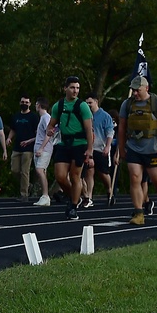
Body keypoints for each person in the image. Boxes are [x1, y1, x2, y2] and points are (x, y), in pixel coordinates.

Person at [117, 76, 157, 226]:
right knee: (135, 178)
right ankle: (139, 213)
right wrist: (121, 149)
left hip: (153, 149)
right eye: (133, 90)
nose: (135, 93)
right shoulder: (127, 105)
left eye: (137, 90)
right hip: (134, 148)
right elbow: (121, 128)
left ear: (146, 88)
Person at [44, 76, 94, 220]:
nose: (75, 91)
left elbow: (89, 129)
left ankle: (72, 207)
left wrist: (89, 150)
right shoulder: (58, 106)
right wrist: (49, 130)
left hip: (79, 144)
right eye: (72, 87)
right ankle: (74, 196)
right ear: (65, 88)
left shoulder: (82, 106)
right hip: (64, 144)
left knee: (75, 176)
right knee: (60, 176)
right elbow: (51, 125)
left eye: (77, 88)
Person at [84, 93, 115, 208]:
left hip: (101, 148)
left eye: (90, 103)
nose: (88, 105)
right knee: (89, 172)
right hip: (90, 149)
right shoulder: (85, 115)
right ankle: (89, 197)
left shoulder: (105, 116)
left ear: (96, 102)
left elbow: (110, 132)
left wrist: (107, 146)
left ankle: (109, 189)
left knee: (103, 173)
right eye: (86, 103)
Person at [6, 95, 40, 201]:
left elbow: (38, 133)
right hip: (17, 147)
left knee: (25, 171)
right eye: (22, 102)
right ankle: (27, 185)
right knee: (14, 170)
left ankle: (24, 194)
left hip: (28, 148)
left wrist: (31, 142)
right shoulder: (16, 116)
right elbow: (13, 129)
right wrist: (9, 138)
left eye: (26, 102)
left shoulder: (34, 117)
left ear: (30, 104)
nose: (24, 104)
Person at [32, 97, 53, 206]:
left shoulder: (46, 118)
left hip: (44, 149)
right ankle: (44, 196)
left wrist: (41, 148)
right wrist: (30, 141)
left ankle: (45, 195)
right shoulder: (42, 118)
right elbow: (40, 135)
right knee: (40, 171)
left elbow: (49, 134)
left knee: (40, 170)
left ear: (39, 105)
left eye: (36, 104)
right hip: (39, 147)